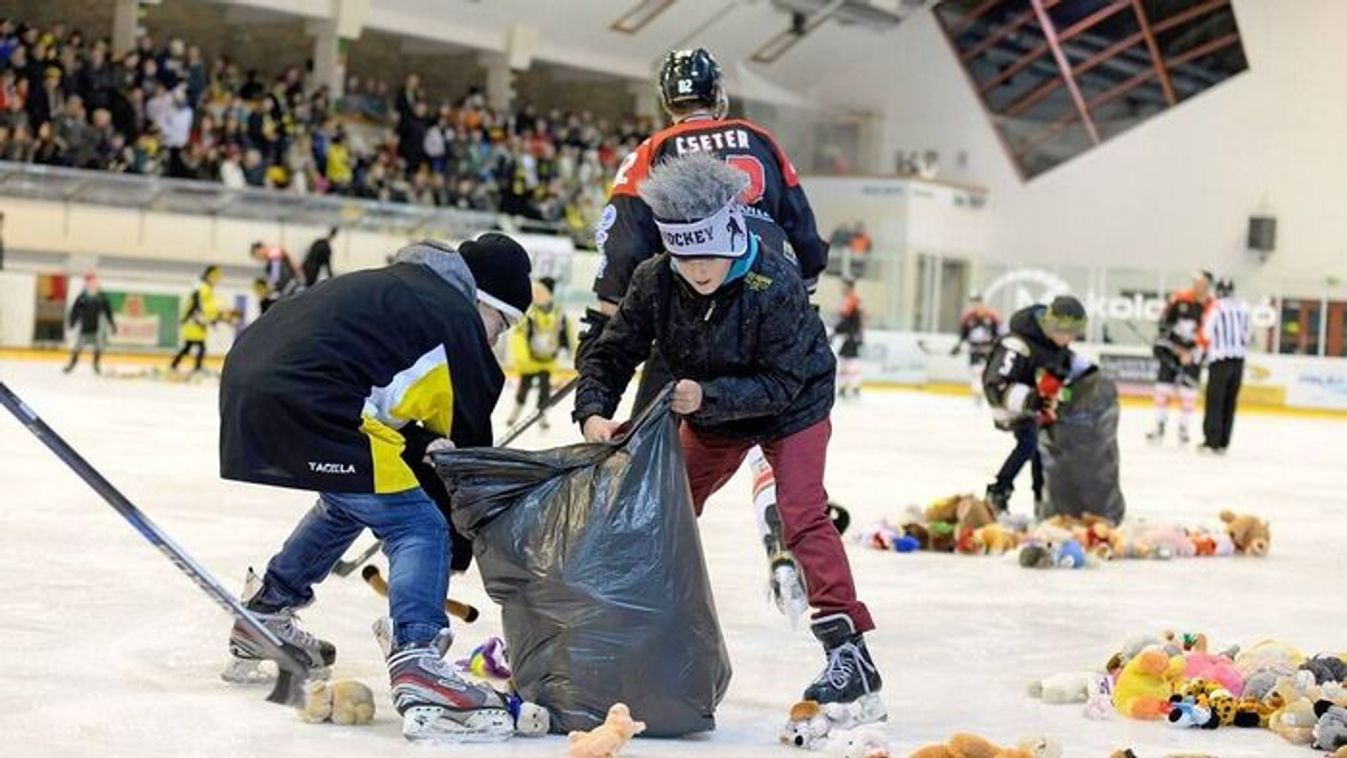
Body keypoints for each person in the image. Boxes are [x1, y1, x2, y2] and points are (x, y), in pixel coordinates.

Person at [575, 154, 884, 725]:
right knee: (661, 510)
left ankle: (848, 649)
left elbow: (784, 382)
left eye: (710, 254)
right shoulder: (656, 280)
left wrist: (704, 398)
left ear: (733, 234)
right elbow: (614, 351)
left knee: (800, 514)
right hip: (713, 409)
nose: (698, 269)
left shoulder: (775, 283)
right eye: (685, 256)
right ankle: (629, 629)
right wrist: (594, 410)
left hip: (794, 406)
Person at [219, 235, 533, 742]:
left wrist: (426, 441)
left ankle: (268, 610)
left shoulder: (404, 290)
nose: (495, 339)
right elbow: (465, 474)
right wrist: (451, 553)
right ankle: (418, 657)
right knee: (418, 526)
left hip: (252, 379)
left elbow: (381, 385)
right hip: (317, 400)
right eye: (503, 323)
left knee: (353, 500)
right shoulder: (458, 325)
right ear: (485, 302)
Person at [582, 47, 829, 623]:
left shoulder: (655, 151)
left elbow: (622, 245)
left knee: (656, 455)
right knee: (770, 427)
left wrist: (603, 326)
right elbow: (805, 232)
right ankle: (779, 535)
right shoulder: (759, 138)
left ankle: (632, 577)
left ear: (666, 101)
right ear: (718, 95)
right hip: (770, 295)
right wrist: (799, 284)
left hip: (691, 311)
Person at [982, 295, 1087, 514]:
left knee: (1043, 446)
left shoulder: (1062, 353)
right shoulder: (1016, 344)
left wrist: (1069, 398)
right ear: (1050, 324)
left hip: (1036, 406)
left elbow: (1066, 388)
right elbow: (996, 384)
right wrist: (1032, 400)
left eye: (1073, 333)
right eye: (1063, 331)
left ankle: (1043, 498)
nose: (1068, 338)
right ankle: (999, 491)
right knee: (1029, 443)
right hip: (1009, 401)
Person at [1147, 270, 1213, 444]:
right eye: (1195, 282)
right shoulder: (1180, 298)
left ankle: (1184, 428)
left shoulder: (1212, 306)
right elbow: (1164, 323)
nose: (1197, 285)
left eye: (1201, 282)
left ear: (1208, 285)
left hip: (1194, 354)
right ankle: (1159, 425)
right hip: (1172, 351)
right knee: (1163, 388)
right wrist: (1172, 347)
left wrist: (1194, 353)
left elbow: (1211, 334)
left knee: (1188, 391)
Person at [507, 277, 570, 430]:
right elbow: (521, 335)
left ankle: (542, 418)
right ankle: (515, 415)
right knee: (524, 388)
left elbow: (563, 333)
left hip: (548, 359)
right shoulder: (531, 313)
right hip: (530, 359)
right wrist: (523, 356)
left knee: (545, 390)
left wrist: (564, 349)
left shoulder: (558, 312)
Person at [1199, 279, 1250, 454]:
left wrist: (1199, 355)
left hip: (1220, 360)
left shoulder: (1216, 307)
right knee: (1230, 401)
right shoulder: (1243, 307)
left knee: (1215, 401)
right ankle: (1223, 442)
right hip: (1239, 361)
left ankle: (1211, 440)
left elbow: (1205, 334)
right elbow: (1248, 335)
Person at [951, 293, 1002, 406]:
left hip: (988, 351)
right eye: (973, 302)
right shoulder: (968, 318)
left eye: (978, 302)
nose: (975, 305)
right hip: (974, 350)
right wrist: (958, 346)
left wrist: (996, 347)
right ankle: (977, 395)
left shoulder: (992, 317)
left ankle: (989, 395)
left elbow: (998, 334)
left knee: (988, 373)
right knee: (976, 372)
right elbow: (963, 335)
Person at [170, 265, 222, 373]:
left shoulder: (206, 288)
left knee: (190, 346)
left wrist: (211, 319)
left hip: (197, 321)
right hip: (195, 322)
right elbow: (196, 303)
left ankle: (176, 365)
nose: (216, 280)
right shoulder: (202, 287)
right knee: (197, 346)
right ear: (208, 275)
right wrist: (200, 318)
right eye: (214, 277)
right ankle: (194, 367)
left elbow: (207, 306)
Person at [63, 272, 116, 374]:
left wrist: (112, 324)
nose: (91, 284)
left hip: (97, 328)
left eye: (93, 282)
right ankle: (71, 365)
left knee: (99, 347)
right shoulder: (82, 297)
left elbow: (108, 312)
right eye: (89, 282)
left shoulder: (102, 297)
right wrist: (72, 322)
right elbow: (75, 310)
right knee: (77, 347)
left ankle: (96, 365)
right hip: (85, 327)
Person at [833, 279, 864, 399]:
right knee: (848, 359)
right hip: (852, 334)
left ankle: (851, 386)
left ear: (849, 286)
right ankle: (850, 386)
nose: (842, 288)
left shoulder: (851, 300)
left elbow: (846, 319)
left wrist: (836, 332)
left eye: (844, 286)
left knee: (848, 360)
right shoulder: (854, 299)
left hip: (851, 335)